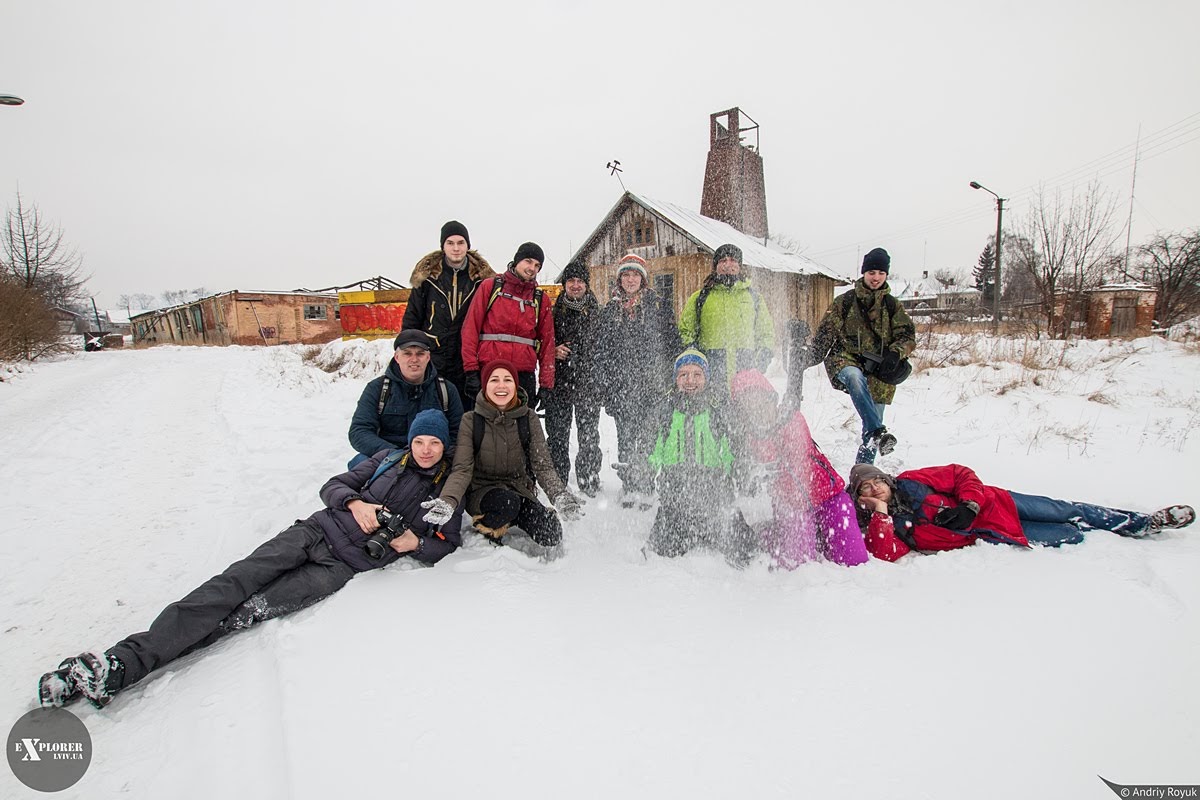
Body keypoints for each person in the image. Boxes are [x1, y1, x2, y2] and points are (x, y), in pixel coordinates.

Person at [39, 410, 465, 709]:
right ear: (409, 440)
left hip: (338, 568)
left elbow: (448, 543)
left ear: (444, 445)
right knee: (228, 587)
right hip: (312, 533)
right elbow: (332, 486)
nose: (426, 449)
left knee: (244, 614)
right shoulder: (385, 459)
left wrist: (416, 544)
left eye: (434, 442)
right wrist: (355, 503)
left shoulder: (446, 491)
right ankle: (119, 662)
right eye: (419, 440)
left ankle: (124, 670)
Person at [848, 462, 1195, 562]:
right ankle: (1106, 532)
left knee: (1067, 510)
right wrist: (880, 512)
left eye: (876, 482)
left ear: (886, 478)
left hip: (1000, 504)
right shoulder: (893, 525)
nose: (874, 488)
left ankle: (1142, 523)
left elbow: (960, 474)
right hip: (996, 533)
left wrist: (970, 504)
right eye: (866, 490)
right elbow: (885, 553)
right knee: (1072, 534)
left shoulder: (913, 482)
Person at [426, 360, 581, 549]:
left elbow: (542, 466)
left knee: (550, 534)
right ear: (485, 385)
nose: (501, 386)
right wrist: (448, 501)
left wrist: (559, 495)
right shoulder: (471, 420)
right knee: (507, 503)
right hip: (483, 490)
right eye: (494, 380)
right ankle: (488, 522)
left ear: (515, 385)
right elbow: (462, 469)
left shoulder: (528, 418)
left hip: (518, 488)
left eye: (507, 380)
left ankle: (513, 516)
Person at [729, 369, 868, 568]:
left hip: (829, 497)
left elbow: (792, 457)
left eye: (760, 397)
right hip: (790, 506)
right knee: (798, 566)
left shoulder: (791, 418)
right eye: (747, 401)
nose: (755, 405)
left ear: (771, 397)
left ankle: (814, 535)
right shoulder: (747, 435)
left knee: (854, 562)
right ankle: (783, 535)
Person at [645, 349, 757, 567]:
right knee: (659, 554)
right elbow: (650, 450)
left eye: (697, 375)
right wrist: (641, 469)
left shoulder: (719, 410)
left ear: (706, 378)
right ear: (675, 379)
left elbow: (736, 450)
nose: (690, 381)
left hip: (715, 497)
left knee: (744, 551)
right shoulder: (664, 411)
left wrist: (741, 469)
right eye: (683, 375)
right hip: (675, 497)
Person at [595, 253, 681, 508]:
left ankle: (645, 485)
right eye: (626, 275)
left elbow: (672, 342)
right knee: (626, 438)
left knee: (649, 438)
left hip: (653, 385)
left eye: (635, 275)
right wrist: (607, 387)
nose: (630, 279)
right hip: (622, 386)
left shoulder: (658, 305)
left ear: (643, 279)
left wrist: (673, 375)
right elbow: (603, 351)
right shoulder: (610, 310)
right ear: (619, 279)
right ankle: (629, 485)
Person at [815, 247, 916, 464]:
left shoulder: (892, 306)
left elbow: (907, 335)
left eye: (881, 273)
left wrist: (894, 353)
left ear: (886, 274)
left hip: (880, 369)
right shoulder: (845, 302)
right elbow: (826, 331)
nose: (876, 278)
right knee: (853, 377)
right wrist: (810, 355)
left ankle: (863, 476)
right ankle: (879, 432)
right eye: (872, 273)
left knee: (870, 430)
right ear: (864, 273)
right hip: (846, 359)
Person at [402, 220, 497, 407]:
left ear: (468, 246)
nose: (456, 248)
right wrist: (408, 350)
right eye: (450, 243)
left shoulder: (483, 281)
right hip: (434, 357)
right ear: (443, 246)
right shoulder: (428, 279)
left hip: (467, 360)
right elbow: (412, 319)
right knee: (432, 410)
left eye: (461, 243)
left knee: (464, 415)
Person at [347, 329, 464, 468]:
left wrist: (434, 453)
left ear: (428, 357)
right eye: (407, 353)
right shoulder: (377, 389)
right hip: (388, 457)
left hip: (431, 458)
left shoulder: (446, 390)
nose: (414, 359)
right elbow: (359, 431)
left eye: (420, 354)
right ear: (397, 357)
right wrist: (394, 454)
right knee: (359, 463)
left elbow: (458, 432)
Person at [459, 242, 555, 403]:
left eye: (537, 265)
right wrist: (471, 370)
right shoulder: (490, 287)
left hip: (523, 375)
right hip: (490, 370)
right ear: (517, 260)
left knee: (522, 426)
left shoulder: (539, 299)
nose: (532, 268)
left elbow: (547, 344)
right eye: (528, 261)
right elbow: (470, 329)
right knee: (488, 425)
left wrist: (546, 384)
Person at [678, 243, 774, 393]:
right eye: (722, 261)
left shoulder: (754, 298)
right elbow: (685, 331)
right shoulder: (700, 298)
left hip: (746, 372)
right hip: (711, 373)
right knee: (713, 414)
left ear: (739, 265)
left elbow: (766, 332)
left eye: (733, 260)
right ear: (715, 266)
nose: (728, 264)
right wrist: (696, 359)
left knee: (743, 414)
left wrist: (760, 360)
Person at [545, 260, 603, 496]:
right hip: (560, 382)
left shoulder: (597, 313)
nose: (576, 285)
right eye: (571, 281)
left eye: (580, 281)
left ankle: (589, 476)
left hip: (588, 383)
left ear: (586, 285)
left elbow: (605, 347)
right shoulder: (552, 312)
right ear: (564, 284)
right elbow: (542, 343)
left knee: (589, 435)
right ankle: (558, 480)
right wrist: (554, 350)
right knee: (558, 435)